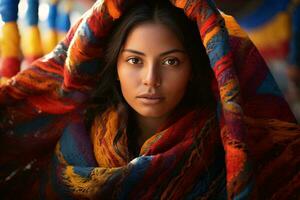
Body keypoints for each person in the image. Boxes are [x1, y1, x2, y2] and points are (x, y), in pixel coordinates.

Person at [0, 0, 299, 199]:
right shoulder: (72, 150)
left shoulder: (229, 151)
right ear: (114, 67)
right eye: (134, 61)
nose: (150, 79)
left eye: (171, 62)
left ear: (194, 70)